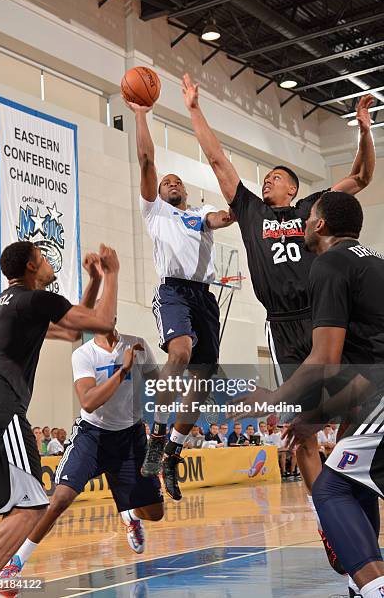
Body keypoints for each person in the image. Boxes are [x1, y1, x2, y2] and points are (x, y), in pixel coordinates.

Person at [183, 72, 375, 572]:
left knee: (355, 417)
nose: (267, 180)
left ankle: (356, 523)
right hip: (283, 324)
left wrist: (365, 128)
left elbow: (362, 177)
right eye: (264, 177)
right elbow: (219, 160)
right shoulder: (248, 210)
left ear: (294, 187)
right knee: (299, 430)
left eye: (275, 177)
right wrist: (195, 110)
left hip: (325, 318)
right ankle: (327, 515)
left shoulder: (316, 209)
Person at [250, 192, 384, 598]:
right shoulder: (376, 262)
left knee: (330, 488)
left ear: (321, 225)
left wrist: (273, 397)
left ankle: (373, 585)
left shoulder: (329, 263)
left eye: (308, 219)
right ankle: (361, 580)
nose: (303, 225)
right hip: (372, 392)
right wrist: (318, 417)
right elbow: (366, 368)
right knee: (354, 484)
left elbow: (325, 357)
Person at [0, 241, 119, 598]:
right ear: (30, 266)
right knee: (30, 508)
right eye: (42, 258)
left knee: (23, 508)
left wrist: (94, 280)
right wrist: (112, 273)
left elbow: (72, 331)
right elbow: (102, 322)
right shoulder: (36, 299)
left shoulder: (5, 304)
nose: (48, 262)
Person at [123, 97, 235, 501]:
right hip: (172, 290)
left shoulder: (199, 213)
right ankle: (156, 431)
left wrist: (240, 208)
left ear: (186, 191)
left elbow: (223, 217)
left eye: (177, 181)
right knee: (181, 354)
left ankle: (171, 450)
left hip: (205, 297)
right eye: (166, 180)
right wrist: (140, 114)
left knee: (203, 382)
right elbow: (147, 160)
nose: (171, 182)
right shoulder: (154, 212)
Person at [0, 315, 164, 582]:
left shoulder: (138, 345)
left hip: (131, 437)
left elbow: (160, 387)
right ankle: (16, 560)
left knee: (155, 514)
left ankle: (130, 513)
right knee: (60, 499)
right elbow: (88, 402)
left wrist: (162, 428)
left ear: (113, 316)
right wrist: (123, 370)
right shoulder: (84, 355)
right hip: (93, 437)